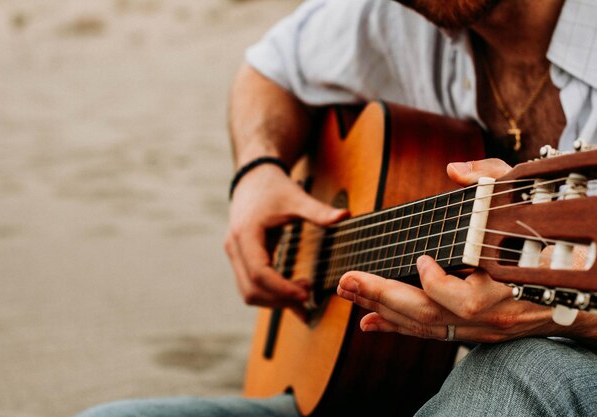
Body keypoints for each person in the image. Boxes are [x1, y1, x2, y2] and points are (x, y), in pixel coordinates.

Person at [75, 0, 597, 416]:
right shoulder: (392, 17)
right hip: (371, 388)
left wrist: (569, 319)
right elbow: (269, 68)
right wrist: (256, 173)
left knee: (520, 373)